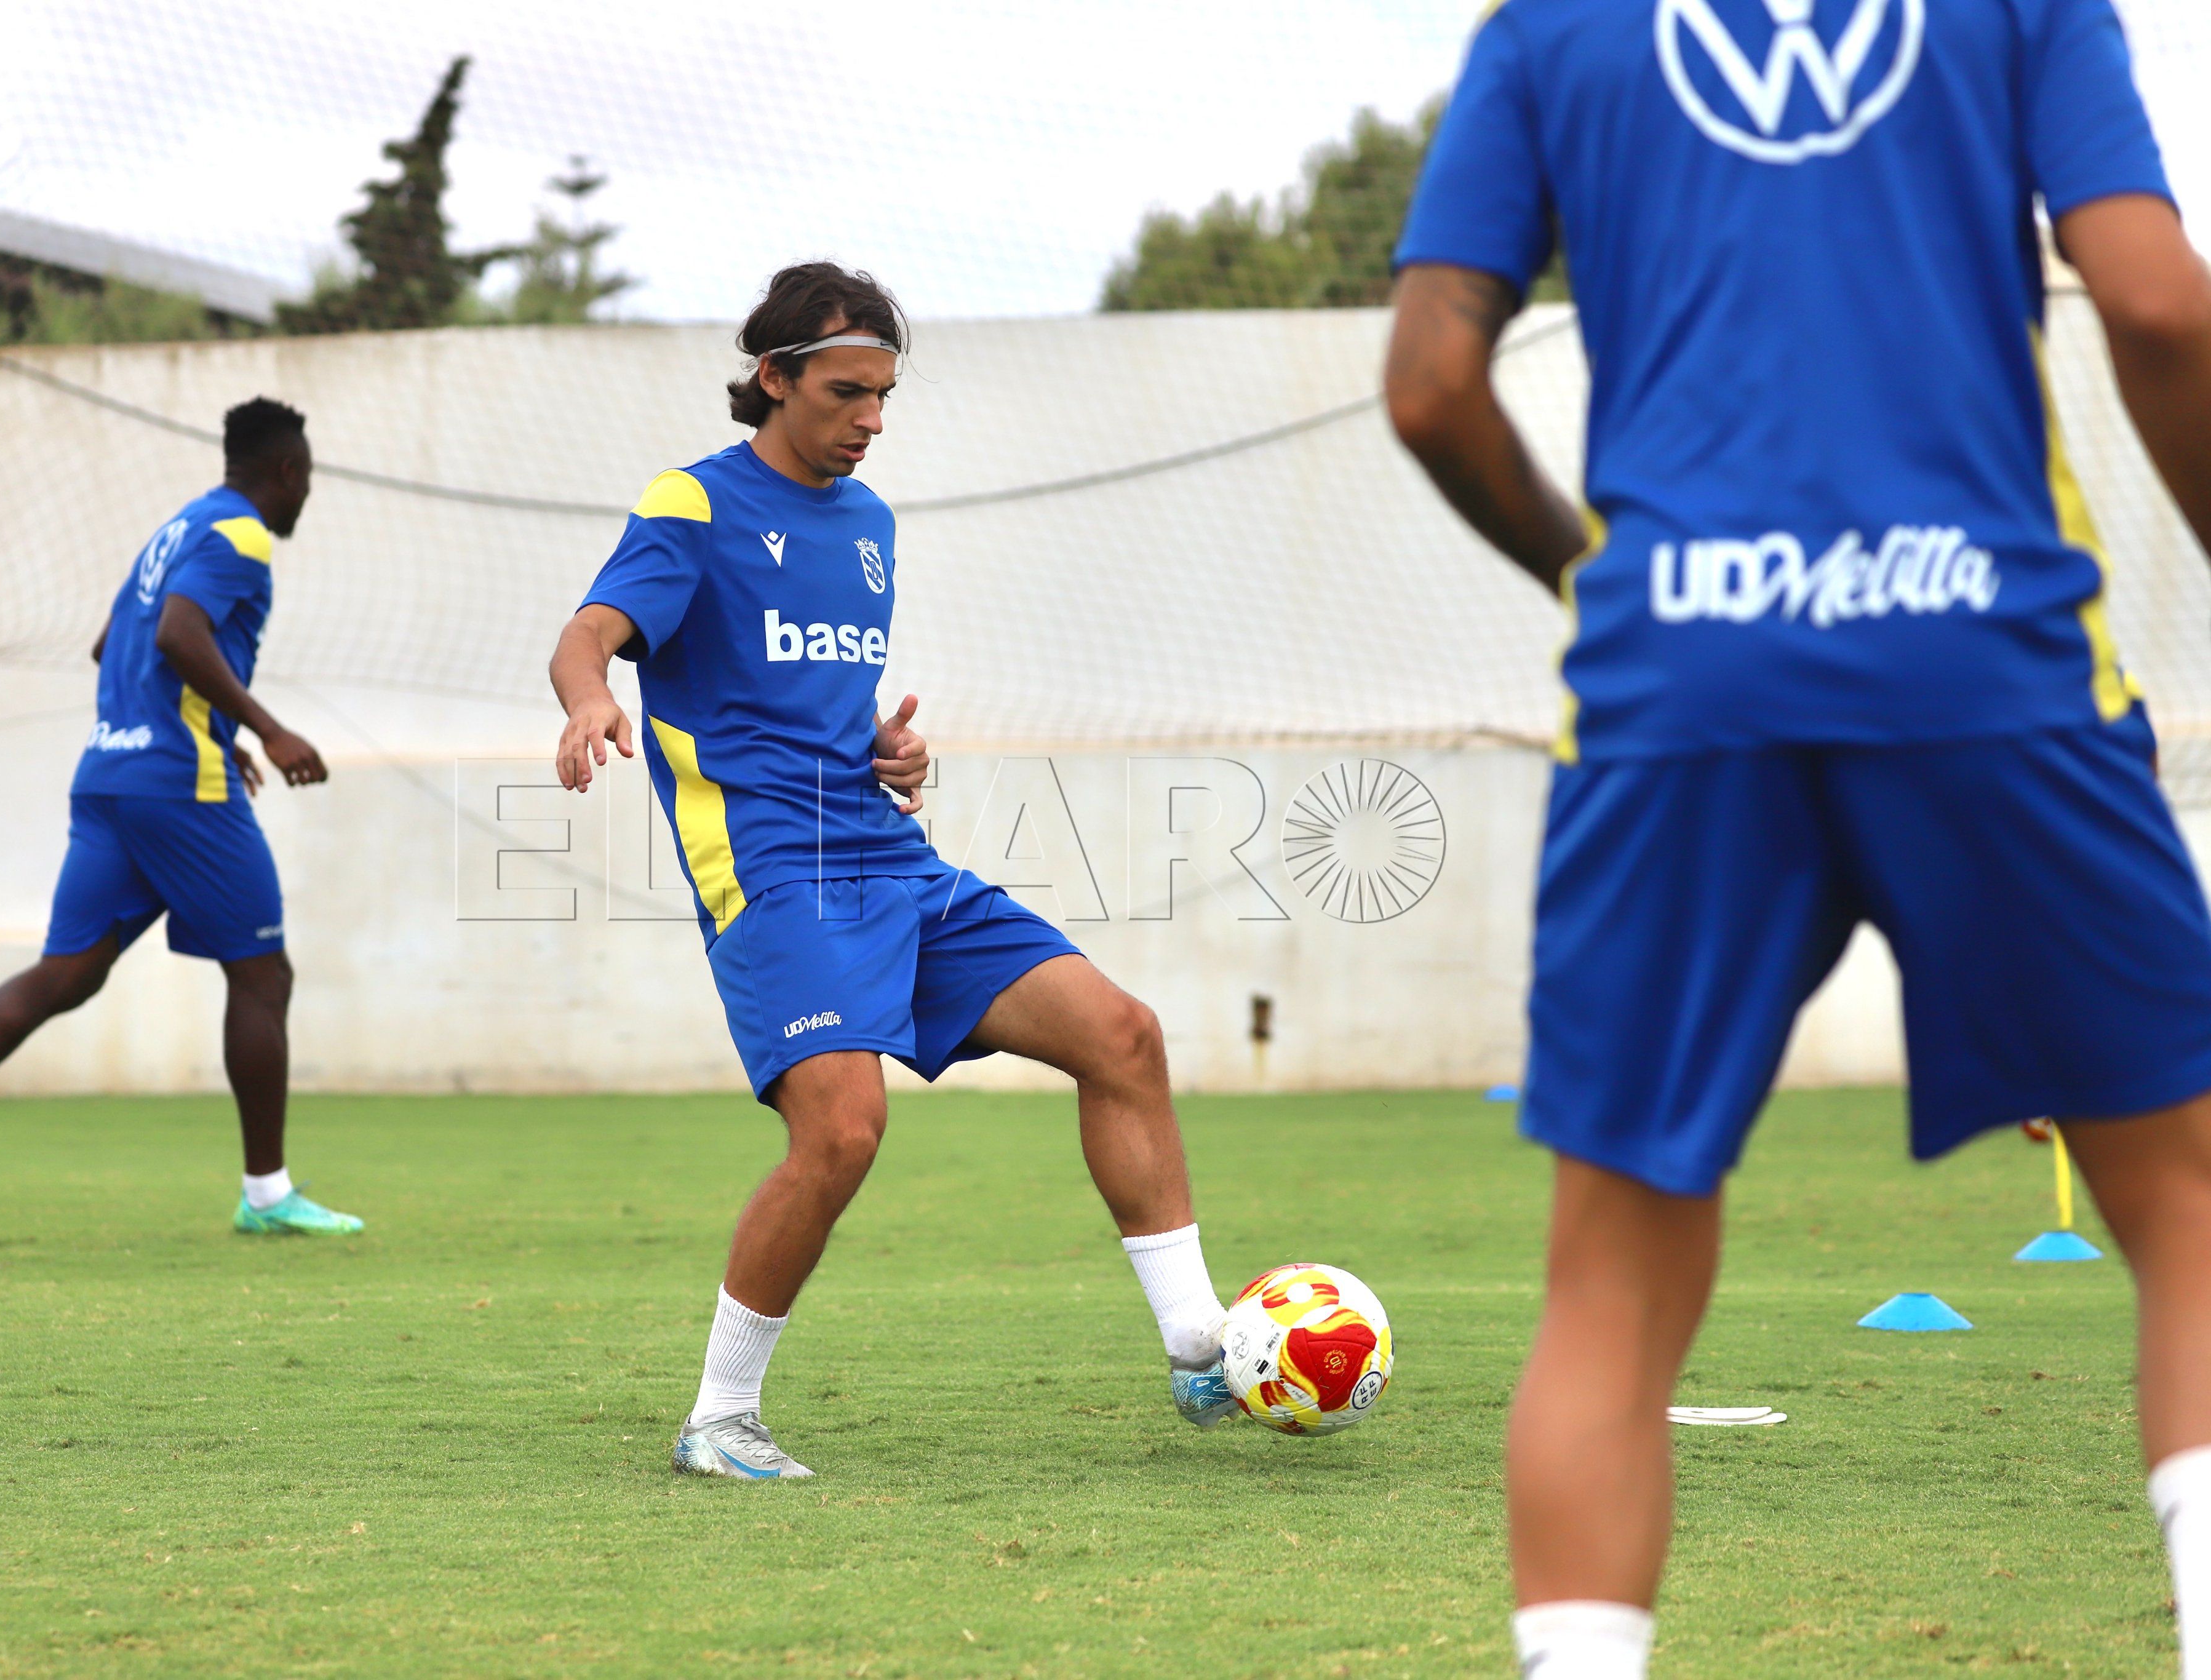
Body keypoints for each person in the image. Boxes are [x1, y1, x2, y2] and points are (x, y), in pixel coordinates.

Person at [1384, 0, 2211, 1671]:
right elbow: (2156, 302)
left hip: (1677, 681)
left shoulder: (1547, 29)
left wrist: (1590, 573)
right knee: (2188, 1207)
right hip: (1983, 654)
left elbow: (1429, 386)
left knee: (1610, 1282)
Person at [548, 261, 1233, 1479]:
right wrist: (593, 697)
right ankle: (719, 1414)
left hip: (889, 859)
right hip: (771, 871)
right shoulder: (693, 503)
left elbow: (810, 698)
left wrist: (884, 745)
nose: (870, 419)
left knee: (1120, 1034)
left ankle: (1198, 1346)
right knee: (842, 1131)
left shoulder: (868, 528)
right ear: (774, 378)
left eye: (884, 396)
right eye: (847, 393)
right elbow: (591, 630)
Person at [0, 398, 362, 1238]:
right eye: (307, 481)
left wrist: (203, 726)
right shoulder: (243, 534)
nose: (305, 498)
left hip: (109, 773)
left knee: (67, 973)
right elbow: (180, 636)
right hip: (179, 786)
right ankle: (267, 1196)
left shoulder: (172, 532)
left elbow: (114, 644)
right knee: (263, 975)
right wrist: (267, 729)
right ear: (287, 472)